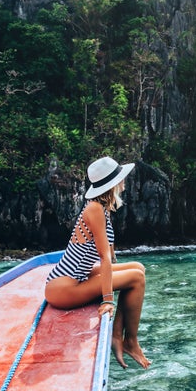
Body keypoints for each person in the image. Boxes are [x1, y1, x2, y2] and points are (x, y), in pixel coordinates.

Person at [45, 156, 150, 369]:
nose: (124, 182)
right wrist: (108, 300)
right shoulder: (94, 209)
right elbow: (104, 258)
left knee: (138, 268)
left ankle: (118, 335)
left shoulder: (101, 208)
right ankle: (130, 341)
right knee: (137, 278)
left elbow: (110, 257)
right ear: (112, 184)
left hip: (76, 277)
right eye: (121, 178)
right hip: (63, 287)